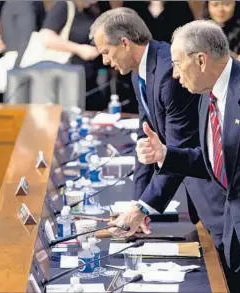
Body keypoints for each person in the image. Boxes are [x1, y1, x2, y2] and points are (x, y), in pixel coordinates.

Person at [133, 20, 240, 292]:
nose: (175, 74)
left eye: (177, 63)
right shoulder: (206, 95)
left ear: (201, 60)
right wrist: (166, 154)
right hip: (234, 235)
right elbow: (217, 162)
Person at [89, 7, 225, 252]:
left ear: (125, 43)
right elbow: (146, 139)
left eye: (106, 52)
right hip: (190, 181)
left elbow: (177, 147)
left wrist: (142, 208)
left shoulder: (167, 73)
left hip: (212, 190)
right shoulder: (137, 71)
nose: (105, 61)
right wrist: (139, 202)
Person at [40, 1, 108, 111]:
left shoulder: (93, 9)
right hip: (67, 81)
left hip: (90, 79)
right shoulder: (65, 5)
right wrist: (79, 49)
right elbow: (46, 37)